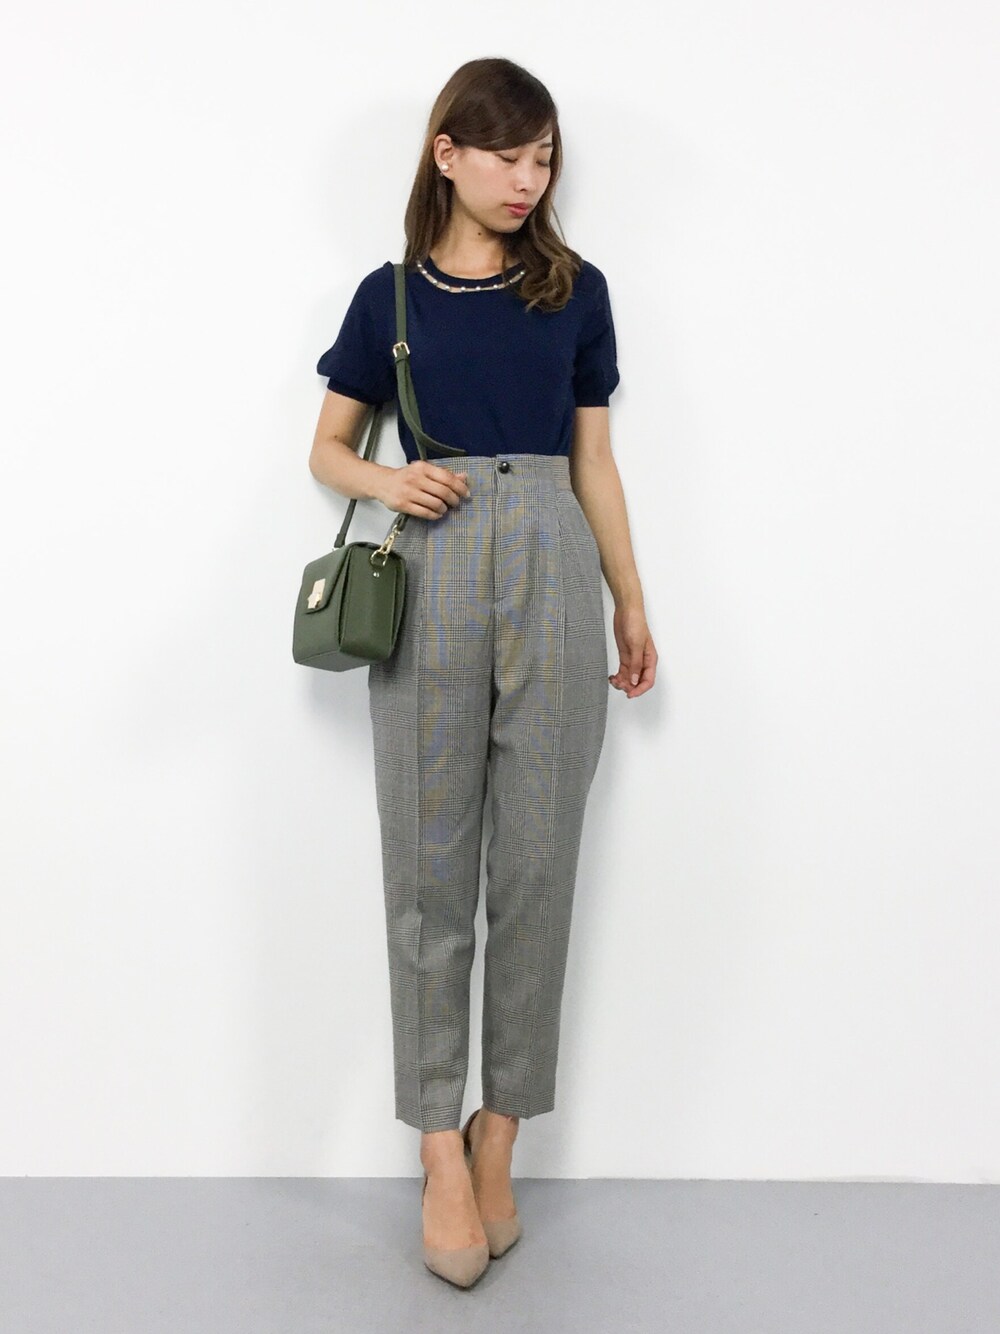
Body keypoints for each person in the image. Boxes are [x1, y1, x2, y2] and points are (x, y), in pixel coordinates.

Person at [308, 57, 657, 1288]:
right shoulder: (390, 297)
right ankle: (434, 1146)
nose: (529, 178)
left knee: (538, 863)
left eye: (544, 156)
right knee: (429, 867)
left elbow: (594, 458)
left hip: (554, 557)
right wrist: (388, 478)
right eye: (508, 154)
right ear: (446, 153)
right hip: (434, 560)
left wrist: (628, 597)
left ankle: (498, 1132)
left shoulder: (575, 290)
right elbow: (327, 447)